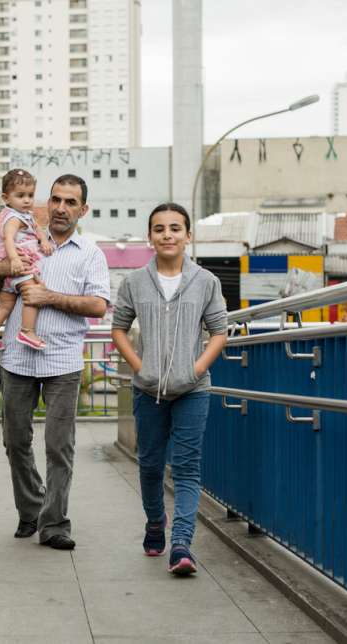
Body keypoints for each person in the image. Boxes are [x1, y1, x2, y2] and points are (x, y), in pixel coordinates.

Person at [0, 174, 109, 549]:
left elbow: (99, 305)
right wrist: (1, 269)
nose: (61, 208)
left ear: (82, 209)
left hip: (63, 361)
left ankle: (54, 524)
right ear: (46, 202)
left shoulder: (90, 253)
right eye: (55, 199)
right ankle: (30, 510)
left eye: (71, 202)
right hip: (17, 359)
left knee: (59, 446)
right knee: (15, 441)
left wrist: (49, 296)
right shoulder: (19, 236)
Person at [110, 202, 228, 575]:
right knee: (149, 466)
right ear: (150, 236)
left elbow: (219, 332)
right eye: (159, 229)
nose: (167, 235)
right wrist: (140, 367)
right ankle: (155, 522)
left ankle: (181, 545)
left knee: (187, 467)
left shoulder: (206, 281)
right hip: (148, 390)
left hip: (193, 390)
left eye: (175, 228)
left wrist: (195, 369)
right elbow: (119, 328)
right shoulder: (134, 282)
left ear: (187, 236)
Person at [0, 168, 54, 351]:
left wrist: (43, 240)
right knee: (33, 294)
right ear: (6, 198)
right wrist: (14, 260)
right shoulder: (13, 218)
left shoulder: (26, 215)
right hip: (19, 267)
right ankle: (27, 331)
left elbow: (37, 229)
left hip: (11, 275)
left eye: (30, 195)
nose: (27, 200)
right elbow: (8, 239)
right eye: (20, 195)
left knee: (5, 305)